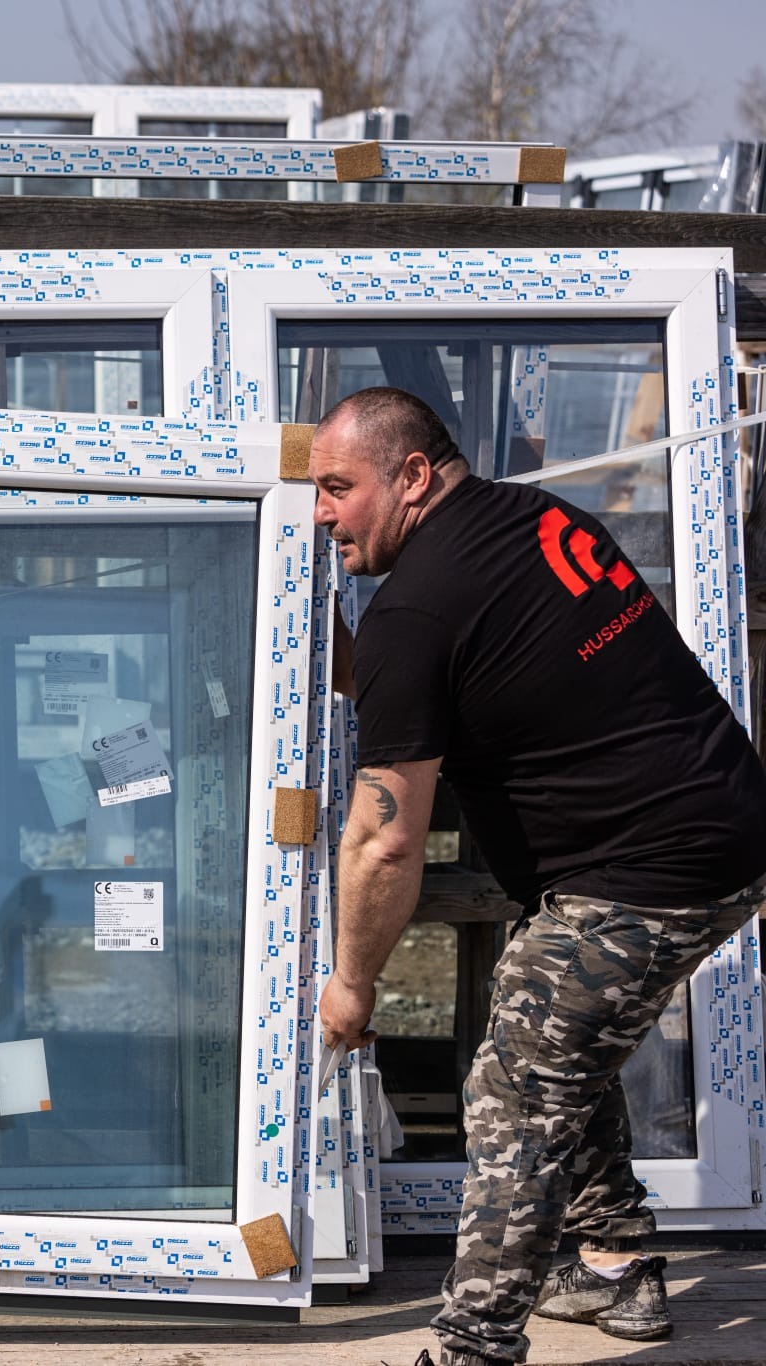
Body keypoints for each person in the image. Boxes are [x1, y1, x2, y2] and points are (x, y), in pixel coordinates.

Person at [311, 386, 766, 1366]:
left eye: (336, 487)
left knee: (514, 1087)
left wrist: (350, 982)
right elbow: (478, 676)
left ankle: (473, 1344)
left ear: (413, 476)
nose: (319, 513)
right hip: (716, 826)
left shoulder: (414, 607)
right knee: (555, 1038)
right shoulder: (536, 517)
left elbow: (384, 838)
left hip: (647, 866)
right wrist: (349, 666)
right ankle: (612, 1264)